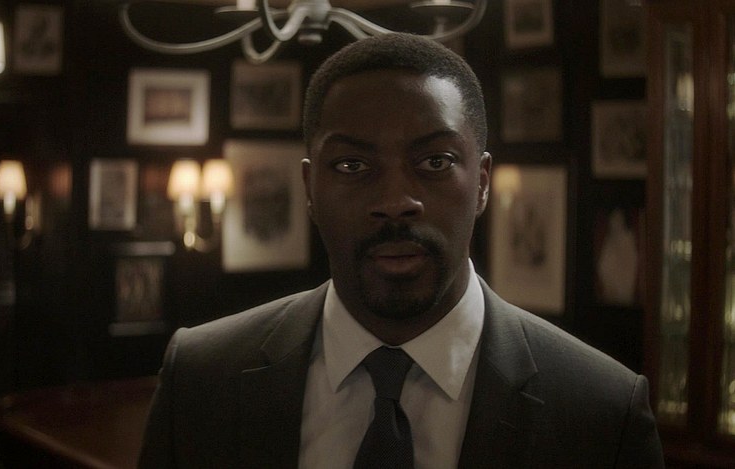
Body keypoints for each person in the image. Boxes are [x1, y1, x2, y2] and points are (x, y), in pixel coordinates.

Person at [138, 33, 664, 468]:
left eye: (435, 162)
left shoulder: (601, 412)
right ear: (309, 188)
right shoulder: (201, 378)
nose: (395, 202)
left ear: (482, 183)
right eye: (352, 165)